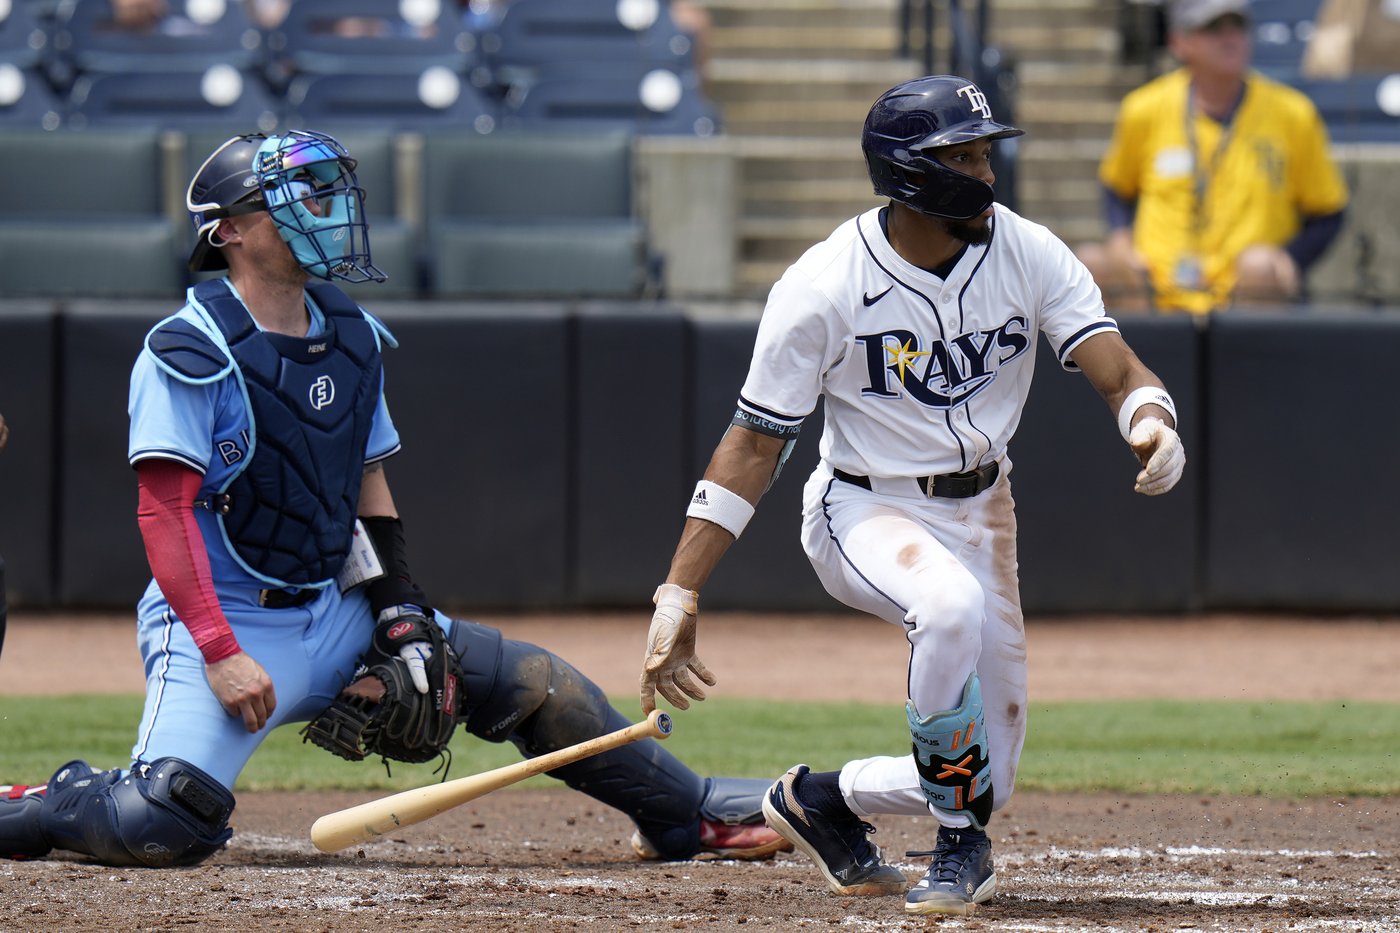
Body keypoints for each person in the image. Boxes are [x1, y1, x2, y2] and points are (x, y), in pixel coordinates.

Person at [0, 130, 787, 868]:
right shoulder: (188, 346)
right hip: (229, 619)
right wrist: (219, 650)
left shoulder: (351, 333)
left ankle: (688, 813)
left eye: (324, 193)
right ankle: (51, 799)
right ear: (230, 231)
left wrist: (400, 610)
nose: (325, 212)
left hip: (333, 606)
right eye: (296, 198)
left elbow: (360, 489)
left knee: (539, 685)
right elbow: (163, 514)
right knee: (162, 818)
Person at [637, 75, 1187, 917]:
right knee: (950, 610)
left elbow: (1114, 361)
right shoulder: (822, 285)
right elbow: (753, 444)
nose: (985, 172)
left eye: (984, 152)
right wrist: (681, 587)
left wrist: (1151, 417)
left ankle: (820, 798)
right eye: (961, 156)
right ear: (908, 174)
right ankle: (961, 845)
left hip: (983, 510)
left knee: (990, 772)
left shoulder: (1027, 250)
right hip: (864, 507)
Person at [1076, 0, 1349, 314]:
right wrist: (1122, 242)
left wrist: (1290, 260)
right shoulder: (1144, 108)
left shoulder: (1293, 113)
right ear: (1180, 42)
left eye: (1237, 27)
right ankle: (1130, 362)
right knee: (1090, 261)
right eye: (1213, 29)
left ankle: (1250, 361)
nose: (1229, 38)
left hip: (1244, 288)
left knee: (1260, 266)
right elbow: (1116, 187)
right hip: (1157, 286)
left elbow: (1329, 211)